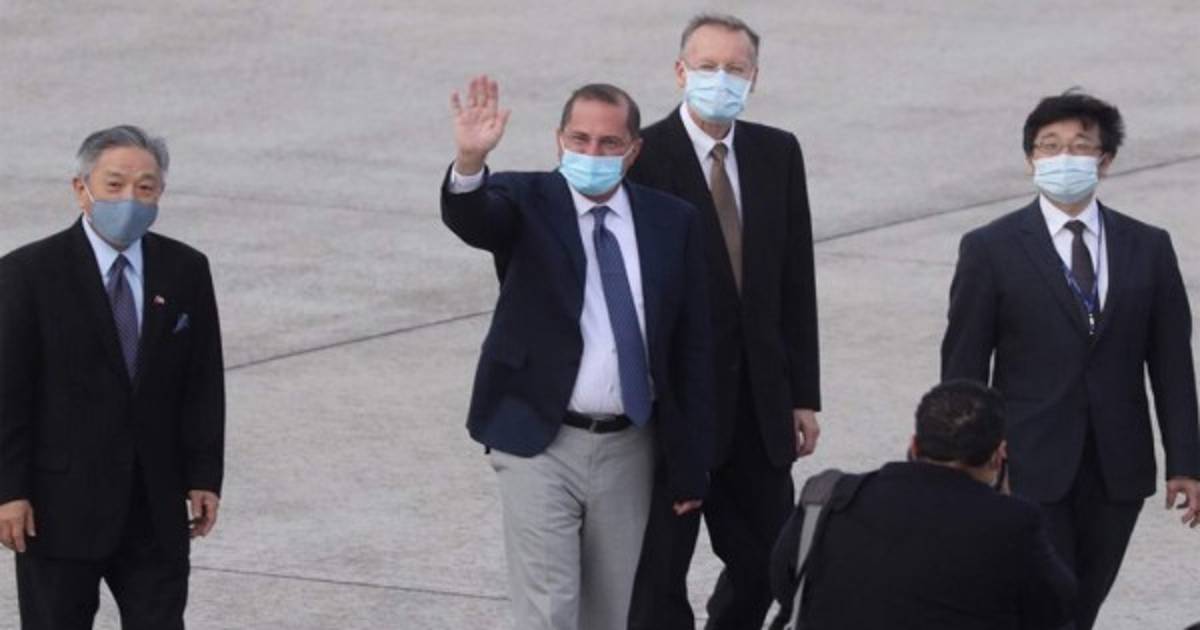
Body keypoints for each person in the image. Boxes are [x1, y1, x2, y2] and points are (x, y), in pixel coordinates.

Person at [441, 76, 712, 630]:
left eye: (609, 143)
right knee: (548, 609)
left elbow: (690, 346)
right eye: (580, 139)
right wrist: (470, 161)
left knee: (610, 613)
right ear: (559, 140)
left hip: (629, 446)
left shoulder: (671, 221)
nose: (592, 152)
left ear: (633, 150)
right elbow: (475, 218)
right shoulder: (526, 200)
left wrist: (690, 463)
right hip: (539, 439)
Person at [942, 91, 1200, 630]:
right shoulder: (991, 248)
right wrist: (961, 460)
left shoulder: (1148, 246)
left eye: (1080, 146)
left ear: (1104, 161)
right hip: (1026, 462)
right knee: (1047, 604)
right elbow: (964, 364)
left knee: (1083, 604)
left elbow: (1172, 363)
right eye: (1050, 146)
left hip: (1117, 468)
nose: (1064, 157)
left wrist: (1186, 462)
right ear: (1030, 159)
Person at [625, 14, 820, 630]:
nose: (721, 79)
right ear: (680, 71)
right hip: (675, 407)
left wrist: (803, 395)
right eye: (707, 66)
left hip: (758, 404)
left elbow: (795, 280)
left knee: (768, 563)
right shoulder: (641, 155)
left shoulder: (776, 152)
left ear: (754, 77)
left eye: (735, 68)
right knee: (658, 573)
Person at [0, 125, 226, 629]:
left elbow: (202, 381)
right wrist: (8, 491)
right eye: (115, 185)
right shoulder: (28, 274)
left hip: (155, 505)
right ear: (81, 189)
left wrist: (203, 475)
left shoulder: (185, 269)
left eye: (145, 188)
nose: (130, 200)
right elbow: (9, 392)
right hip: (59, 509)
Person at [794, 380, 1076, 629]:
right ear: (998, 456)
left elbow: (787, 581)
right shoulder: (1014, 523)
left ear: (914, 446)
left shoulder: (830, 495)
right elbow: (1055, 608)